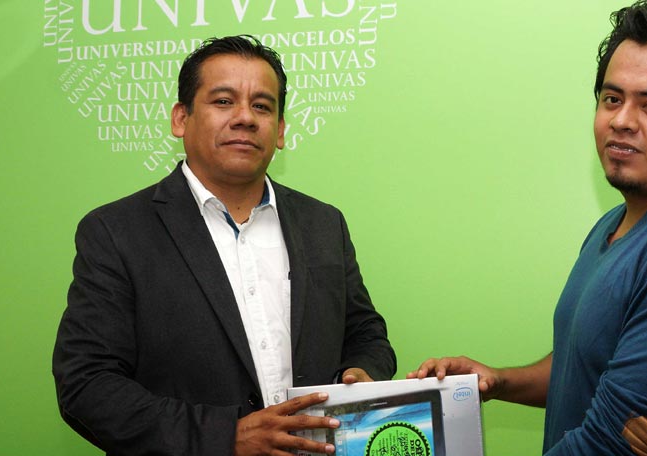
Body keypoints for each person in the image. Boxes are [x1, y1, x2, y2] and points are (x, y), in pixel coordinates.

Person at [409, 1, 647, 455]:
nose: (621, 121)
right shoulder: (617, 223)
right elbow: (587, 367)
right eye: (612, 99)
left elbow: (607, 444)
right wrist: (500, 381)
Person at [53, 35, 396, 456]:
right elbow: (87, 384)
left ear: (280, 130)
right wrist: (225, 438)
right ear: (181, 118)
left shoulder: (324, 223)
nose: (245, 118)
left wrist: (359, 375)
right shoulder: (116, 231)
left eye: (262, 106)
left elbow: (365, 334)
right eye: (223, 101)